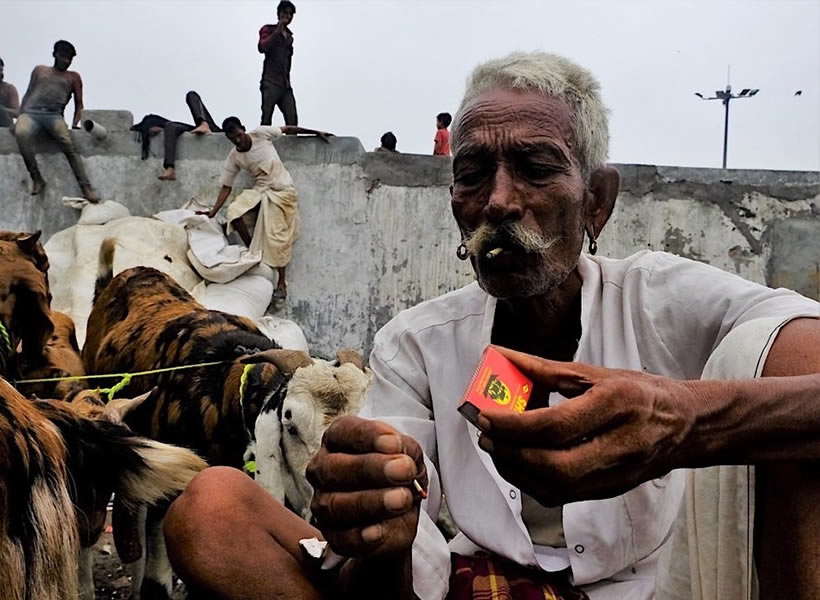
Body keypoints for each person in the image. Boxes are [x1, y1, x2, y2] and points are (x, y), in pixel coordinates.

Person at [163, 52, 820, 599]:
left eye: (535, 169)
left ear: (596, 200)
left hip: (658, 587)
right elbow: (402, 570)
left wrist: (684, 422)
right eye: (473, 174)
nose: (499, 202)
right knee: (212, 507)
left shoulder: (660, 298)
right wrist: (381, 530)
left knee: (787, 359)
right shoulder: (417, 345)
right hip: (477, 586)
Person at [195, 117, 331, 303]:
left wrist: (316, 132)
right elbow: (226, 186)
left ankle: (281, 283)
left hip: (283, 191)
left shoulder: (261, 134)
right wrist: (212, 211)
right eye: (232, 139)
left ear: (243, 129)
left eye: (239, 136)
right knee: (234, 213)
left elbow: (288, 129)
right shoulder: (234, 156)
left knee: (278, 238)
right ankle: (254, 252)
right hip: (261, 191)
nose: (237, 141)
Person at [14, 40, 99, 202]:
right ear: (55, 55)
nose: (66, 61)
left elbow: (79, 103)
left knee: (68, 144)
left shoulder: (73, 77)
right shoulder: (40, 71)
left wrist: (75, 123)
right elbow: (28, 93)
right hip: (31, 114)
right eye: (63, 57)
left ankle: (86, 187)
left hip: (53, 115)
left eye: (69, 59)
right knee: (21, 133)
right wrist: (20, 116)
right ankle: (37, 177)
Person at [258, 1, 298, 126]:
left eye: (290, 14)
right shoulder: (268, 29)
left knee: (292, 119)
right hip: (270, 81)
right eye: (285, 13)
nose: (288, 16)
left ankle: (291, 145)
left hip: (285, 85)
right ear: (279, 14)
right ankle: (263, 143)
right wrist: (278, 29)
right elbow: (262, 47)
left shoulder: (290, 37)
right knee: (266, 117)